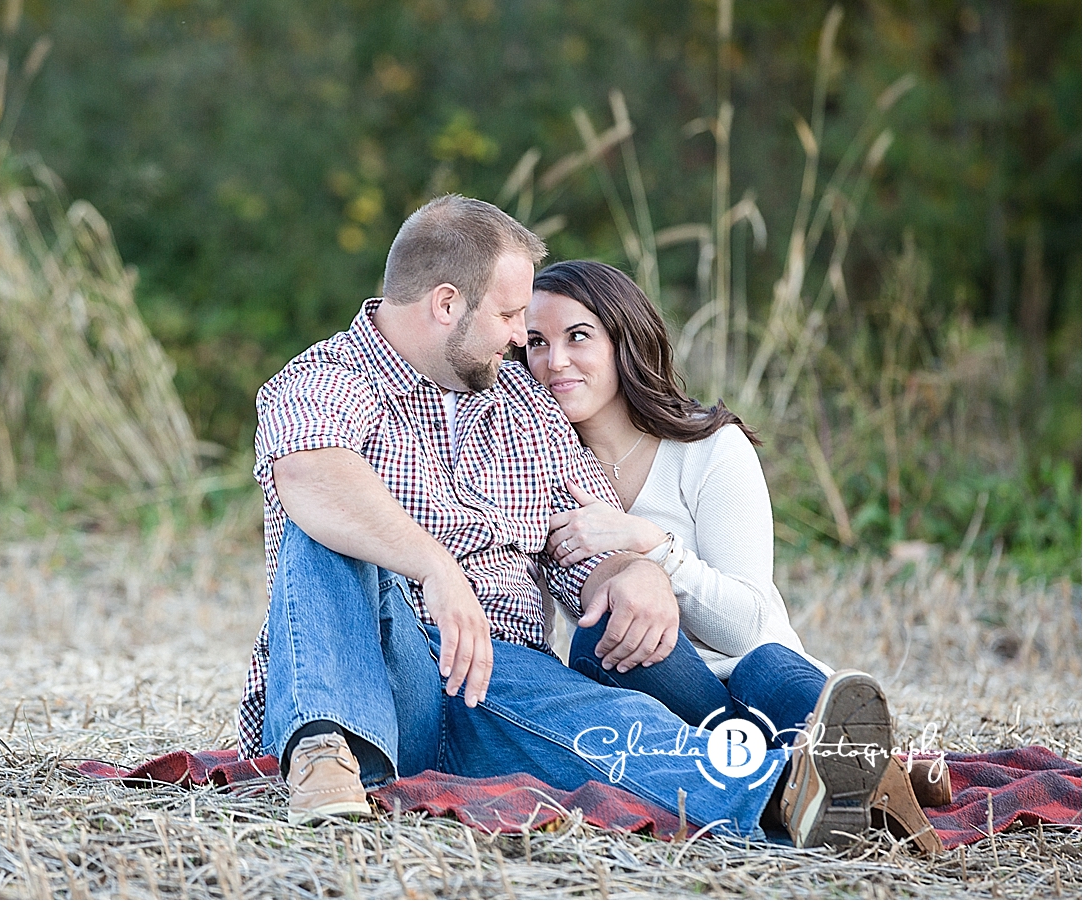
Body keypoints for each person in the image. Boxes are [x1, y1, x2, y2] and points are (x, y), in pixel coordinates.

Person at [237, 194, 896, 848]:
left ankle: (785, 791)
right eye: (509, 313)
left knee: (608, 719)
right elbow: (309, 475)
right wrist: (434, 566)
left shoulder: (522, 400)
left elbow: (583, 542)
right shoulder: (323, 378)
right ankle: (325, 748)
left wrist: (633, 573)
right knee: (323, 518)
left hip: (497, 676)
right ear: (445, 304)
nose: (521, 336)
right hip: (374, 668)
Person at [525, 259, 942, 850]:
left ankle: (828, 769)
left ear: (623, 339)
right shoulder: (533, 468)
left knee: (768, 665)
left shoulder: (710, 451)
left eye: (578, 336)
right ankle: (852, 778)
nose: (554, 362)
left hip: (757, 678)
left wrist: (651, 547)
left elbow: (748, 621)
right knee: (608, 634)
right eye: (536, 343)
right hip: (653, 693)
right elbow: (533, 619)